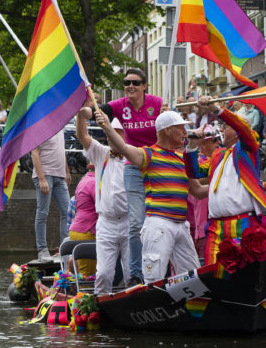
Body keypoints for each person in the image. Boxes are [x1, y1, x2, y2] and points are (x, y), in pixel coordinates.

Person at [96, 109, 204, 283]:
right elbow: (123, 147)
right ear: (167, 130)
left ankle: (186, 308)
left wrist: (222, 185)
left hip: (181, 225)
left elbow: (198, 191)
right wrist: (108, 127)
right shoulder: (149, 154)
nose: (185, 133)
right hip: (159, 225)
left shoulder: (182, 158)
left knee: (192, 279)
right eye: (180, 128)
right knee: (153, 280)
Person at [81, 68, 163, 285]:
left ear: (144, 85)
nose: (130, 86)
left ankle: (160, 274)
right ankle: (136, 276)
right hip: (134, 166)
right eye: (127, 82)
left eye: (135, 83)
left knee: (162, 221)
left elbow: (168, 127)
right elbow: (90, 119)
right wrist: (84, 110)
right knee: (107, 272)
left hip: (156, 164)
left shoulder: (156, 103)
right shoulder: (103, 153)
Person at [193, 97, 266, 266]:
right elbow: (194, 171)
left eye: (226, 126)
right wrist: (190, 145)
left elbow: (243, 130)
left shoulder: (248, 148)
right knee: (213, 275)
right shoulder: (217, 155)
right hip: (215, 228)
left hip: (242, 224)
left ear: (237, 130)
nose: (222, 129)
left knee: (241, 276)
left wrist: (217, 109)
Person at [77, 108, 129, 293]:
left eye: (116, 133)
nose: (111, 137)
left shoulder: (134, 155)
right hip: (106, 223)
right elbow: (82, 136)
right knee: (104, 274)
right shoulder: (101, 153)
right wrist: (80, 113)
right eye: (109, 132)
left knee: (132, 274)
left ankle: (134, 308)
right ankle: (99, 308)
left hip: (130, 222)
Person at [31, 130, 71, 261]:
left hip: (59, 175)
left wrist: (67, 172)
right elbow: (34, 153)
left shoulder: (59, 127)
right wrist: (42, 179)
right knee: (43, 212)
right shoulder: (39, 127)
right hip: (45, 174)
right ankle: (42, 249)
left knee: (68, 211)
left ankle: (65, 248)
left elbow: (61, 151)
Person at [186, 124, 219, 257]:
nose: (219, 143)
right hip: (198, 227)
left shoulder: (216, 159)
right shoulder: (198, 162)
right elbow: (197, 180)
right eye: (215, 140)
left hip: (204, 227)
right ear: (203, 143)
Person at [67, 163, 97, 276]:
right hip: (87, 231)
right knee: (88, 275)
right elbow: (103, 207)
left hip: (79, 229)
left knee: (87, 272)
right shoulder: (94, 182)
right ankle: (84, 292)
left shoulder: (84, 180)